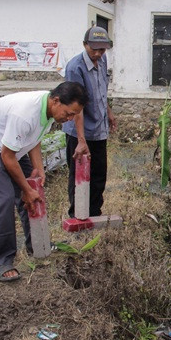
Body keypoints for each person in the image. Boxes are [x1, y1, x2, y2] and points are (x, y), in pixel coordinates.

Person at [0, 82, 88, 282]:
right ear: (56, 101)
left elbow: (33, 139)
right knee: (3, 200)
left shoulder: (48, 110)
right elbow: (7, 156)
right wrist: (25, 188)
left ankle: (37, 245)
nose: (70, 119)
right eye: (69, 113)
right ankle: (1, 261)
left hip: (10, 145)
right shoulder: (25, 114)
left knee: (35, 191)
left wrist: (38, 170)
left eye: (74, 115)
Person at [63, 26, 117, 218]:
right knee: (78, 175)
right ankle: (77, 214)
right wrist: (81, 139)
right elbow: (76, 107)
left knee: (98, 174)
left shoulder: (102, 61)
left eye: (101, 50)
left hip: (99, 129)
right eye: (93, 49)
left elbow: (102, 90)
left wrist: (108, 112)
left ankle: (94, 213)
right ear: (85, 45)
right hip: (79, 131)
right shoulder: (75, 68)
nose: (97, 53)